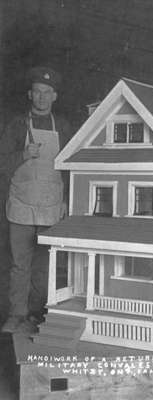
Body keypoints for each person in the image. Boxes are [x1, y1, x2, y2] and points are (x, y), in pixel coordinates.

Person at [0, 66, 72, 333]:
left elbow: (72, 165)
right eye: (37, 92)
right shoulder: (16, 125)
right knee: (20, 265)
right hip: (21, 204)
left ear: (55, 96)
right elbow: (1, 163)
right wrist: (22, 154)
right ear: (30, 94)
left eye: (47, 93)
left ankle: (36, 312)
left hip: (52, 204)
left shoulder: (63, 126)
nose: (42, 97)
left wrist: (68, 199)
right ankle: (16, 314)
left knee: (44, 265)